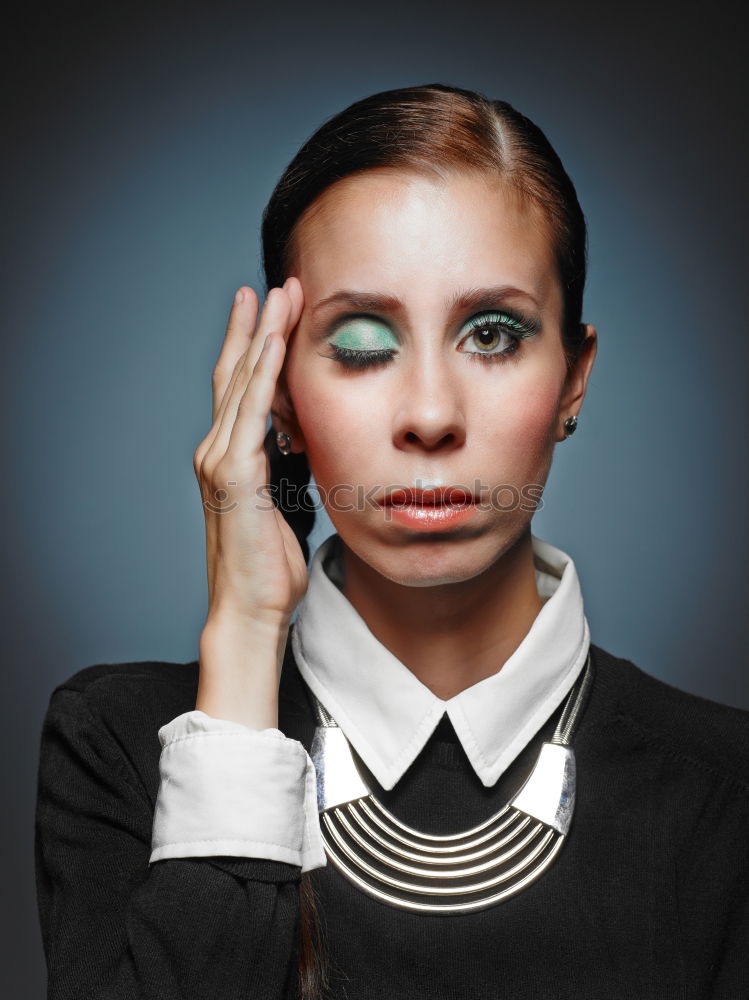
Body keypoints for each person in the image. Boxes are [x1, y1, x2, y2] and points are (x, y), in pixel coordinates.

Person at [34, 83, 749, 1000]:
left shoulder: (726, 793)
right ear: (279, 396)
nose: (428, 415)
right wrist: (248, 630)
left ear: (573, 379)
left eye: (491, 334)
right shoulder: (123, 749)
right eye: (363, 341)